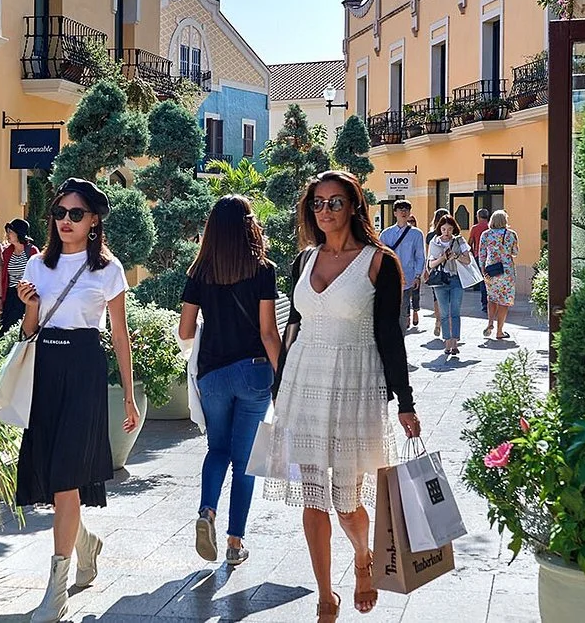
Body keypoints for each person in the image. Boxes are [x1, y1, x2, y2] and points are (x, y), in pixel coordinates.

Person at [263, 171, 421, 620]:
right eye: (318, 203)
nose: (325, 211)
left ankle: (363, 558)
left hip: (356, 386)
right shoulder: (304, 259)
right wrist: (279, 386)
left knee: (347, 503)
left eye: (335, 202)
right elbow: (294, 326)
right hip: (303, 386)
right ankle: (324, 595)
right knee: (313, 498)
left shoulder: (379, 262)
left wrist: (405, 402)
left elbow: (390, 336)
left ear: (354, 206)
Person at [15, 178, 140, 623]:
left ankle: (56, 590)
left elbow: (120, 335)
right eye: (60, 212)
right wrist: (30, 305)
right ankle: (86, 542)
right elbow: (29, 331)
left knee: (66, 476)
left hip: (85, 368)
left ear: (93, 221)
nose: (65, 221)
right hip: (45, 368)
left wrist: (129, 396)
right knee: (55, 477)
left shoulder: (107, 269)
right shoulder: (37, 265)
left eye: (76, 214)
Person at [178, 195, 282, 567]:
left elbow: (185, 331)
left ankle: (207, 511)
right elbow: (268, 332)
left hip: (213, 375)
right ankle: (235, 543)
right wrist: (283, 378)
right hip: (254, 371)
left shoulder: (199, 272)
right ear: (249, 225)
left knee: (217, 450)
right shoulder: (263, 269)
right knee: (245, 460)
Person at [427, 215, 473, 356]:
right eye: (443, 229)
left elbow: (468, 260)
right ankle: (447, 341)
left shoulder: (459, 241)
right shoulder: (435, 242)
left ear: (454, 229)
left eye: (449, 229)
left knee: (455, 311)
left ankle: (455, 342)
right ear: (439, 229)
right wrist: (443, 257)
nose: (446, 232)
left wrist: (456, 256)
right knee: (444, 313)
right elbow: (431, 264)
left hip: (456, 279)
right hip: (440, 281)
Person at [379, 200, 426, 334]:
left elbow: (420, 256)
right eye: (400, 209)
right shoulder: (386, 234)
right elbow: (379, 256)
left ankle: (400, 338)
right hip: (389, 278)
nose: (404, 212)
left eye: (406, 209)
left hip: (407, 278)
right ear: (395, 213)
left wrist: (417, 276)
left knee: (403, 309)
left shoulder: (416, 234)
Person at [479, 210, 520, 340]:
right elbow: (515, 252)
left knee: (492, 298)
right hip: (507, 271)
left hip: (491, 270)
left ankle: (490, 322)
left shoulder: (486, 235)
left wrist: (483, 270)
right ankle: (499, 331)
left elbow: (481, 254)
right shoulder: (511, 234)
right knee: (504, 301)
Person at [0, 218, 40, 333]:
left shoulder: (32, 251)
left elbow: (38, 275)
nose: (8, 235)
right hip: (10, 295)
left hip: (26, 295)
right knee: (6, 327)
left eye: (10, 232)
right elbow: (3, 276)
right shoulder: (7, 252)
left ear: (19, 233)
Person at [424, 208, 450, 337]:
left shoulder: (430, 235)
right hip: (449, 268)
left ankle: (438, 321)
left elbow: (428, 254)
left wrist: (426, 269)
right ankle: (445, 322)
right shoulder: (452, 234)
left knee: (436, 296)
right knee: (448, 297)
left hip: (435, 269)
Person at [468, 208, 491, 314]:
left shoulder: (475, 228)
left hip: (479, 256)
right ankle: (493, 302)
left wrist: (473, 254)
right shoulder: (491, 227)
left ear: (478, 217)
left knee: (483, 280)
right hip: (491, 257)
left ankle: (485, 304)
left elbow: (470, 243)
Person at [407, 216, 421, 327]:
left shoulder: (417, 235)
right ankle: (407, 316)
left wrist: (419, 272)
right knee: (405, 295)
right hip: (404, 271)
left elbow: (420, 255)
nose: (410, 223)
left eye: (412, 221)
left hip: (415, 270)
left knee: (415, 294)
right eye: (409, 221)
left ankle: (415, 312)